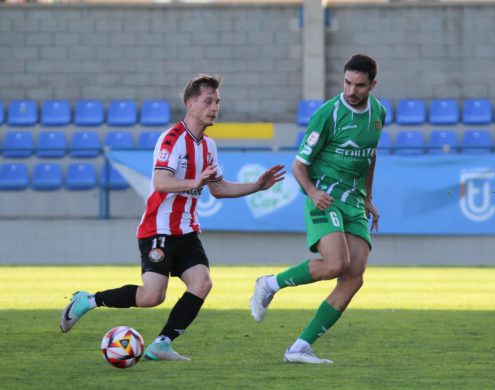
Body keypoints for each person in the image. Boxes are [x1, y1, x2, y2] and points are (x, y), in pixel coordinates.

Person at [61, 74, 285, 362]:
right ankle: (88, 300)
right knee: (152, 297)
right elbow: (160, 182)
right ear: (191, 104)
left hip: (187, 230)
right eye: (208, 101)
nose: (215, 107)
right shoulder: (172, 139)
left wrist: (257, 186)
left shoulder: (209, 146)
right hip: (159, 228)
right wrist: (194, 181)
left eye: (217, 101)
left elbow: (217, 188)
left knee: (202, 283)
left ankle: (162, 343)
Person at [249, 54, 386, 364]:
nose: (352, 90)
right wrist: (312, 191)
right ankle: (269, 284)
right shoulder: (329, 114)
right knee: (337, 263)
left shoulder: (378, 112)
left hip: (354, 200)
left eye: (360, 85)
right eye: (348, 82)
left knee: (354, 277)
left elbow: (370, 155)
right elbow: (299, 165)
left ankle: (299, 347)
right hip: (324, 195)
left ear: (372, 85)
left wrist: (368, 197)